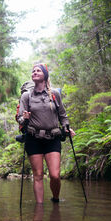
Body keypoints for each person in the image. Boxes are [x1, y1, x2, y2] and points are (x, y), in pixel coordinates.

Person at [17, 63, 75, 203]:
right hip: (33, 138)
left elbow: (62, 115)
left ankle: (55, 199)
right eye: (33, 71)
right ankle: (39, 208)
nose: (35, 72)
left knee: (55, 175)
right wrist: (24, 118)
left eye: (38, 70)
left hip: (52, 138)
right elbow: (19, 119)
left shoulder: (54, 94)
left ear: (45, 75)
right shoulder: (26, 96)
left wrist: (66, 127)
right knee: (38, 175)